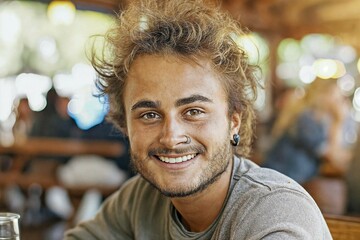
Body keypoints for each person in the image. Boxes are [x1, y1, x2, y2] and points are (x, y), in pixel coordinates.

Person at [65, 0, 332, 239]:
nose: (171, 136)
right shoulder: (139, 199)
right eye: (149, 115)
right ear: (126, 125)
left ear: (233, 121)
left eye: (193, 111)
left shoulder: (274, 213)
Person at [263, 78, 353, 184]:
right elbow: (332, 155)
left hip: (290, 181)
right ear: (322, 95)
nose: (339, 102)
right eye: (336, 96)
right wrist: (338, 121)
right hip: (278, 183)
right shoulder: (305, 119)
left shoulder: (318, 120)